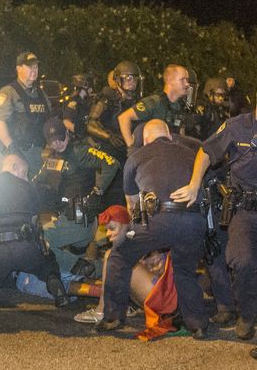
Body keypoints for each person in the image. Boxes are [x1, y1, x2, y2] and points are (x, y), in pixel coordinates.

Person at [96, 119, 209, 339]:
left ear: (146, 140)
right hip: (193, 221)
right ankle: (198, 324)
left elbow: (132, 205)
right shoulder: (189, 154)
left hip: (157, 219)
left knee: (119, 255)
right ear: (168, 136)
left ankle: (113, 317)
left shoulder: (136, 157)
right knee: (185, 270)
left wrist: (142, 242)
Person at [170, 110, 257, 340]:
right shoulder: (237, 126)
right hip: (245, 210)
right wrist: (194, 184)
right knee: (242, 261)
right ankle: (247, 315)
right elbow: (207, 151)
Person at [0, 153, 69, 308]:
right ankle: (54, 282)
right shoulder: (30, 188)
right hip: (26, 249)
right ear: (14, 167)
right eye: (24, 173)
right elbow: (35, 223)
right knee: (47, 263)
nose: (26, 179)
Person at [36, 117, 119, 273]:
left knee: (38, 240)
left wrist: (98, 191)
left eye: (61, 138)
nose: (58, 144)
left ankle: (97, 269)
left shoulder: (79, 150)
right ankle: (90, 269)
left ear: (67, 132)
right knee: (60, 252)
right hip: (67, 219)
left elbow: (111, 163)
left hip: (80, 220)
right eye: (53, 141)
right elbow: (37, 180)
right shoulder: (52, 158)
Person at [74, 205, 157, 324]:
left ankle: (102, 310)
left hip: (162, 297)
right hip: (154, 297)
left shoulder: (138, 239)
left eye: (112, 228)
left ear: (127, 226)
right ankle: (122, 307)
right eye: (107, 229)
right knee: (116, 261)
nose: (108, 233)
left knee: (111, 256)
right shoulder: (136, 239)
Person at [87, 61, 143, 206]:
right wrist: (109, 136)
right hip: (111, 151)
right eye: (128, 78)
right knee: (113, 196)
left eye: (134, 79)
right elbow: (91, 124)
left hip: (130, 150)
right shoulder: (107, 99)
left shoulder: (139, 101)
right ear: (119, 79)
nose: (132, 82)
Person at [0, 51, 51, 178]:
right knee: (10, 192)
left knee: (32, 192)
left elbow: (48, 121)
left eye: (36, 67)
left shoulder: (41, 94)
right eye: (30, 66)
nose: (34, 70)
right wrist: (11, 147)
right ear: (19, 69)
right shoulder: (8, 92)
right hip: (14, 153)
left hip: (35, 153)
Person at [118, 64, 189, 149]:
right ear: (170, 80)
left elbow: (180, 135)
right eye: (182, 80)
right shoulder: (154, 102)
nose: (187, 84)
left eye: (187, 80)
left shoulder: (179, 107)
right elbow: (124, 118)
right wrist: (132, 148)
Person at [62, 73, 93, 138]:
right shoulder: (74, 102)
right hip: (79, 141)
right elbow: (66, 122)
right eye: (89, 88)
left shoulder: (85, 101)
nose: (91, 90)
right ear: (82, 88)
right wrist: (82, 133)